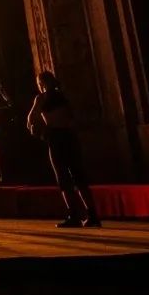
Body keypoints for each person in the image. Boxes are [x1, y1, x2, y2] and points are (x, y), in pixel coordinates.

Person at [26, 70, 100, 227]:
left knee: (63, 178)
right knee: (78, 176)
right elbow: (74, 117)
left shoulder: (41, 98)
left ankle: (73, 215)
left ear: (42, 84)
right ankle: (92, 214)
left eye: (39, 84)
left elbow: (30, 119)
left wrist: (37, 130)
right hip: (70, 136)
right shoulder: (64, 96)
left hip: (56, 138)